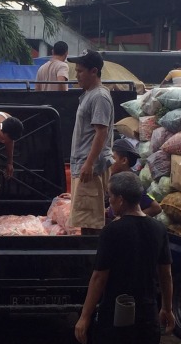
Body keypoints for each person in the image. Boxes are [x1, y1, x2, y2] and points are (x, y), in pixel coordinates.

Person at [75, 172, 175, 344]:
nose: (109, 201)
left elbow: (99, 277)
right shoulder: (158, 229)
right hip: (147, 314)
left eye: (110, 196)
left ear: (120, 199)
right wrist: (167, 308)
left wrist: (85, 316)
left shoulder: (112, 231)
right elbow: (166, 274)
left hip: (117, 315)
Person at [67, 49, 114, 235]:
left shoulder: (99, 96)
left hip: (90, 169)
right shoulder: (89, 94)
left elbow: (101, 132)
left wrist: (89, 163)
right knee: (84, 218)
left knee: (91, 221)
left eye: (80, 71)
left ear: (94, 71)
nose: (76, 75)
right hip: (84, 166)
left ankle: (93, 260)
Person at [106, 139, 161, 222]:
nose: (109, 162)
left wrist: (125, 220)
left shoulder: (130, 183)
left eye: (113, 158)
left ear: (124, 160)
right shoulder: (115, 178)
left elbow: (156, 208)